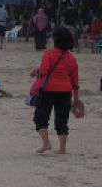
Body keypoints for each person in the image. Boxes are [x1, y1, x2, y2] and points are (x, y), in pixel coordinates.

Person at [32, 26, 81, 154]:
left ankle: (46, 143)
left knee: (41, 117)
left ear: (56, 40)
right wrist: (75, 100)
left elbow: (43, 71)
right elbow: (75, 82)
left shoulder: (48, 53)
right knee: (62, 120)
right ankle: (62, 149)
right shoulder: (71, 58)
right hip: (65, 91)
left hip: (48, 90)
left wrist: (37, 72)